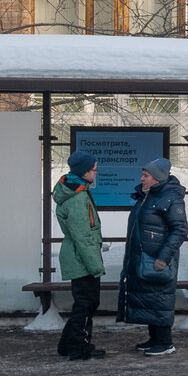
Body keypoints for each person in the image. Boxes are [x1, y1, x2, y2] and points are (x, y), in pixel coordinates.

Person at [120, 157, 188, 356]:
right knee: (149, 298)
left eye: (146, 175)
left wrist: (163, 257)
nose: (142, 179)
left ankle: (165, 342)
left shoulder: (170, 197)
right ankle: (155, 338)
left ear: (157, 178)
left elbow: (180, 229)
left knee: (159, 299)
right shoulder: (147, 196)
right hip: (144, 258)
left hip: (157, 259)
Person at [54, 150, 106, 360]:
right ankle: (77, 347)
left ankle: (68, 344)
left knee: (83, 303)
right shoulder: (78, 198)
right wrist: (95, 266)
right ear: (85, 172)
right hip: (82, 259)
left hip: (78, 256)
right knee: (87, 303)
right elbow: (83, 236)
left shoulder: (76, 190)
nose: (96, 171)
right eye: (94, 168)